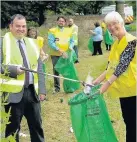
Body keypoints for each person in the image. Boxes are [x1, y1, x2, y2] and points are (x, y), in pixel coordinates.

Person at [0, 14, 46, 142]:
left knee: (37, 126)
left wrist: (42, 90)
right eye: (18, 26)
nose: (21, 29)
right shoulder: (2, 43)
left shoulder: (33, 43)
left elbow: (40, 68)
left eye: (24, 26)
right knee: (12, 130)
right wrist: (13, 71)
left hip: (33, 93)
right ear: (10, 27)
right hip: (12, 95)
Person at [92, 11, 136, 142]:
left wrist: (102, 89)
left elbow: (120, 68)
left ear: (121, 23)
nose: (111, 27)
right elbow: (111, 67)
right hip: (125, 91)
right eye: (109, 25)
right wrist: (95, 82)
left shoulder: (131, 42)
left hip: (134, 90)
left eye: (114, 23)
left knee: (133, 125)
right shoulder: (116, 43)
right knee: (129, 122)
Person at [48, 16, 74, 93]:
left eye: (63, 21)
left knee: (67, 70)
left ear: (65, 22)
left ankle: (68, 87)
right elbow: (50, 42)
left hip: (66, 54)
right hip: (55, 54)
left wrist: (70, 47)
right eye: (59, 21)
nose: (61, 22)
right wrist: (58, 49)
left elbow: (72, 41)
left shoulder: (69, 31)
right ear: (57, 22)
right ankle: (57, 88)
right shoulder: (52, 31)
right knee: (56, 71)